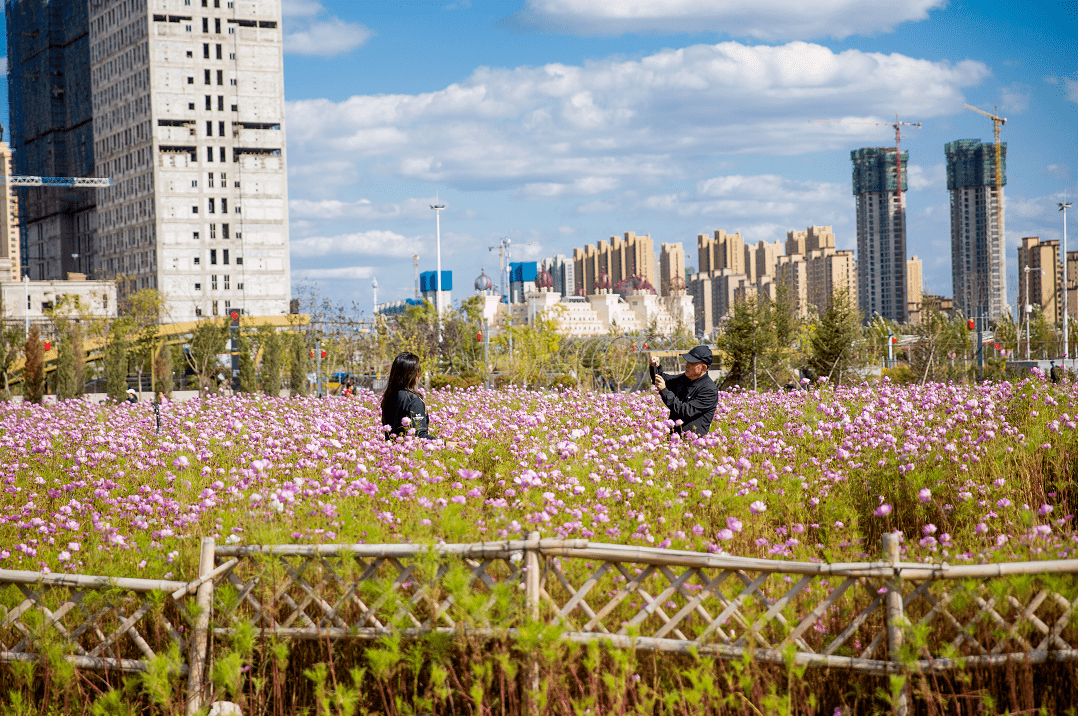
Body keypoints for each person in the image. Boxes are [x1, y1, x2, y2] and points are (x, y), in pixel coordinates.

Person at [650, 346, 719, 436]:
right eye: (687, 361)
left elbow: (685, 411)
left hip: (693, 444)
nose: (687, 365)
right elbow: (664, 379)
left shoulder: (709, 389)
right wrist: (655, 367)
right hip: (674, 440)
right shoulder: (685, 378)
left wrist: (664, 391)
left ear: (703, 368)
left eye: (692, 363)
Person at [381, 352, 436, 440]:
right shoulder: (413, 400)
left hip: (392, 450)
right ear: (413, 374)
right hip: (409, 451)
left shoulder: (389, 397)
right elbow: (419, 436)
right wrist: (444, 443)